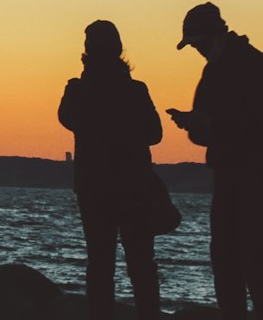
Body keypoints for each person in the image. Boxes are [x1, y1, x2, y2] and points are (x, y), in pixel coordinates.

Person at [168, 4, 263, 320]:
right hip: (235, 178)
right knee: (233, 262)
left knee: (250, 263)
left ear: (212, 37)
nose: (196, 51)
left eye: (197, 44)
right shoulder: (257, 70)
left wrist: (209, 125)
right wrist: (197, 125)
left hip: (253, 179)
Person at [59, 20, 169, 320]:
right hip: (134, 186)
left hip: (93, 188)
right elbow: (155, 134)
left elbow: (66, 118)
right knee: (142, 261)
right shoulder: (136, 90)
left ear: (87, 52)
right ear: (119, 50)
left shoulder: (78, 89)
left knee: (100, 262)